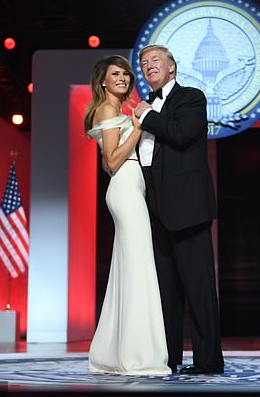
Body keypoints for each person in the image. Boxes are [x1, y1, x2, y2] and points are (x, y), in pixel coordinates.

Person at [133, 45, 224, 375]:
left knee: (198, 288)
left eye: (155, 60)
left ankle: (208, 361)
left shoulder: (191, 97)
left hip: (187, 208)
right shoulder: (145, 108)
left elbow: (182, 134)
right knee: (165, 294)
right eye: (144, 63)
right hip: (154, 211)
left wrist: (146, 115)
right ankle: (168, 359)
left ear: (172, 68)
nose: (148, 66)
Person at [84, 55, 171, 376]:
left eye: (125, 73)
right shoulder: (107, 110)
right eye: (115, 74)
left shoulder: (116, 109)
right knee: (138, 271)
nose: (122, 78)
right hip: (124, 190)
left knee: (129, 272)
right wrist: (137, 127)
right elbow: (112, 161)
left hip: (132, 191)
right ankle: (137, 356)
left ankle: (115, 353)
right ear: (103, 81)